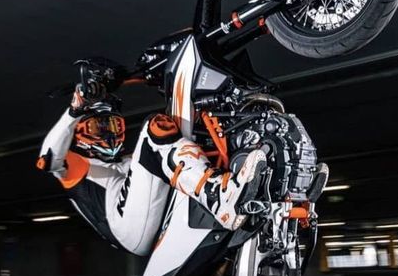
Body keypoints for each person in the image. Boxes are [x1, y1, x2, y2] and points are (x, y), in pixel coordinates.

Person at [37, 84, 266, 255]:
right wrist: (74, 111)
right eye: (100, 126)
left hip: (144, 225)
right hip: (125, 228)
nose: (109, 132)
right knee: (154, 130)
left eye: (114, 124)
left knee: (174, 142)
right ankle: (221, 199)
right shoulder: (77, 165)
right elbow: (47, 159)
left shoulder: (126, 162)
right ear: (80, 131)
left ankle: (233, 184)